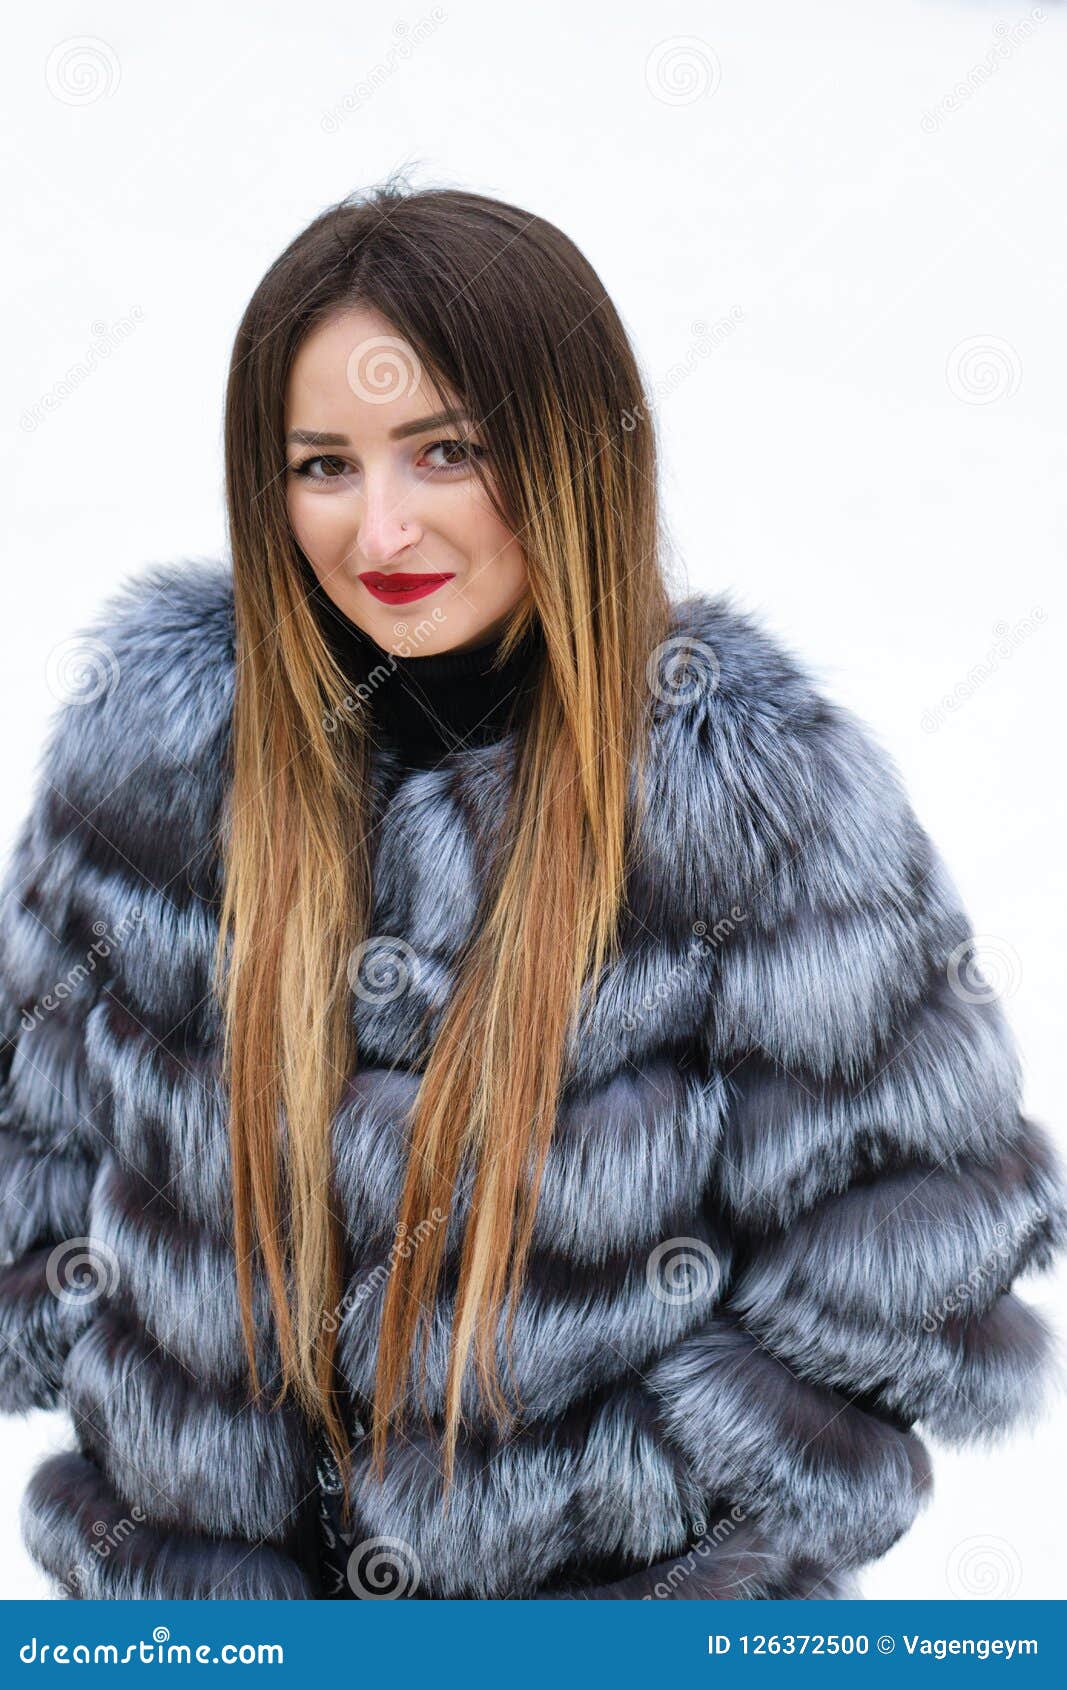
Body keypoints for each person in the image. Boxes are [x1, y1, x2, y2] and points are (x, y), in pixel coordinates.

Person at [1, 180, 1063, 1602]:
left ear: (567, 453)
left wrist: (637, 1503)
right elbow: (33, 1169)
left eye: (444, 451)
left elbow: (918, 1247)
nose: (378, 526)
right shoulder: (154, 756)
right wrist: (155, 1433)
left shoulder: (744, 787)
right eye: (322, 463)